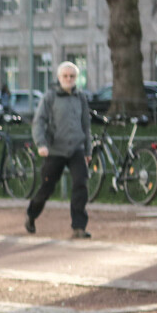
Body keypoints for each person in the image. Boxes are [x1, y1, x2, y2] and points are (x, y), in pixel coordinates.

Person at [25, 61, 92, 239]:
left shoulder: (81, 98)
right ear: (59, 77)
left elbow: (86, 126)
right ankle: (31, 215)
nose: (68, 79)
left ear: (76, 78)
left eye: (72, 76)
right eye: (65, 76)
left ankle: (79, 227)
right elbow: (38, 122)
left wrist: (88, 151)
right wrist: (41, 144)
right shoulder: (50, 97)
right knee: (47, 187)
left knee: (81, 184)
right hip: (55, 150)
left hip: (76, 148)